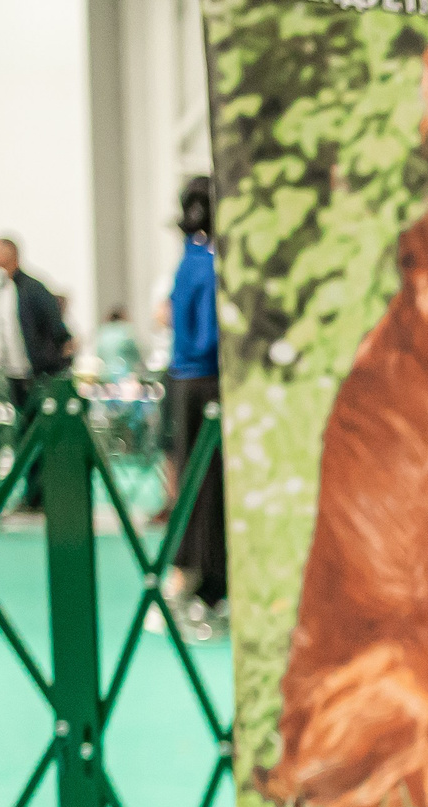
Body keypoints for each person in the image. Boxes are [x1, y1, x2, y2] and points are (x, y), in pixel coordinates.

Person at [162, 179, 228, 639]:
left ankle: (190, 576)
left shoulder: (186, 262)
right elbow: (208, 336)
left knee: (190, 481)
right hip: (207, 384)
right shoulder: (211, 266)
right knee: (209, 487)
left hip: (182, 383)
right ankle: (210, 586)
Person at [0, 235, 74, 513]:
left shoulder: (33, 288)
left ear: (11, 254)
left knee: (41, 436)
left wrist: (51, 361)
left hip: (39, 375)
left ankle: (45, 495)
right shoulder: (1, 290)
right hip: (15, 375)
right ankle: (33, 496)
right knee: (25, 436)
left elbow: (56, 329)